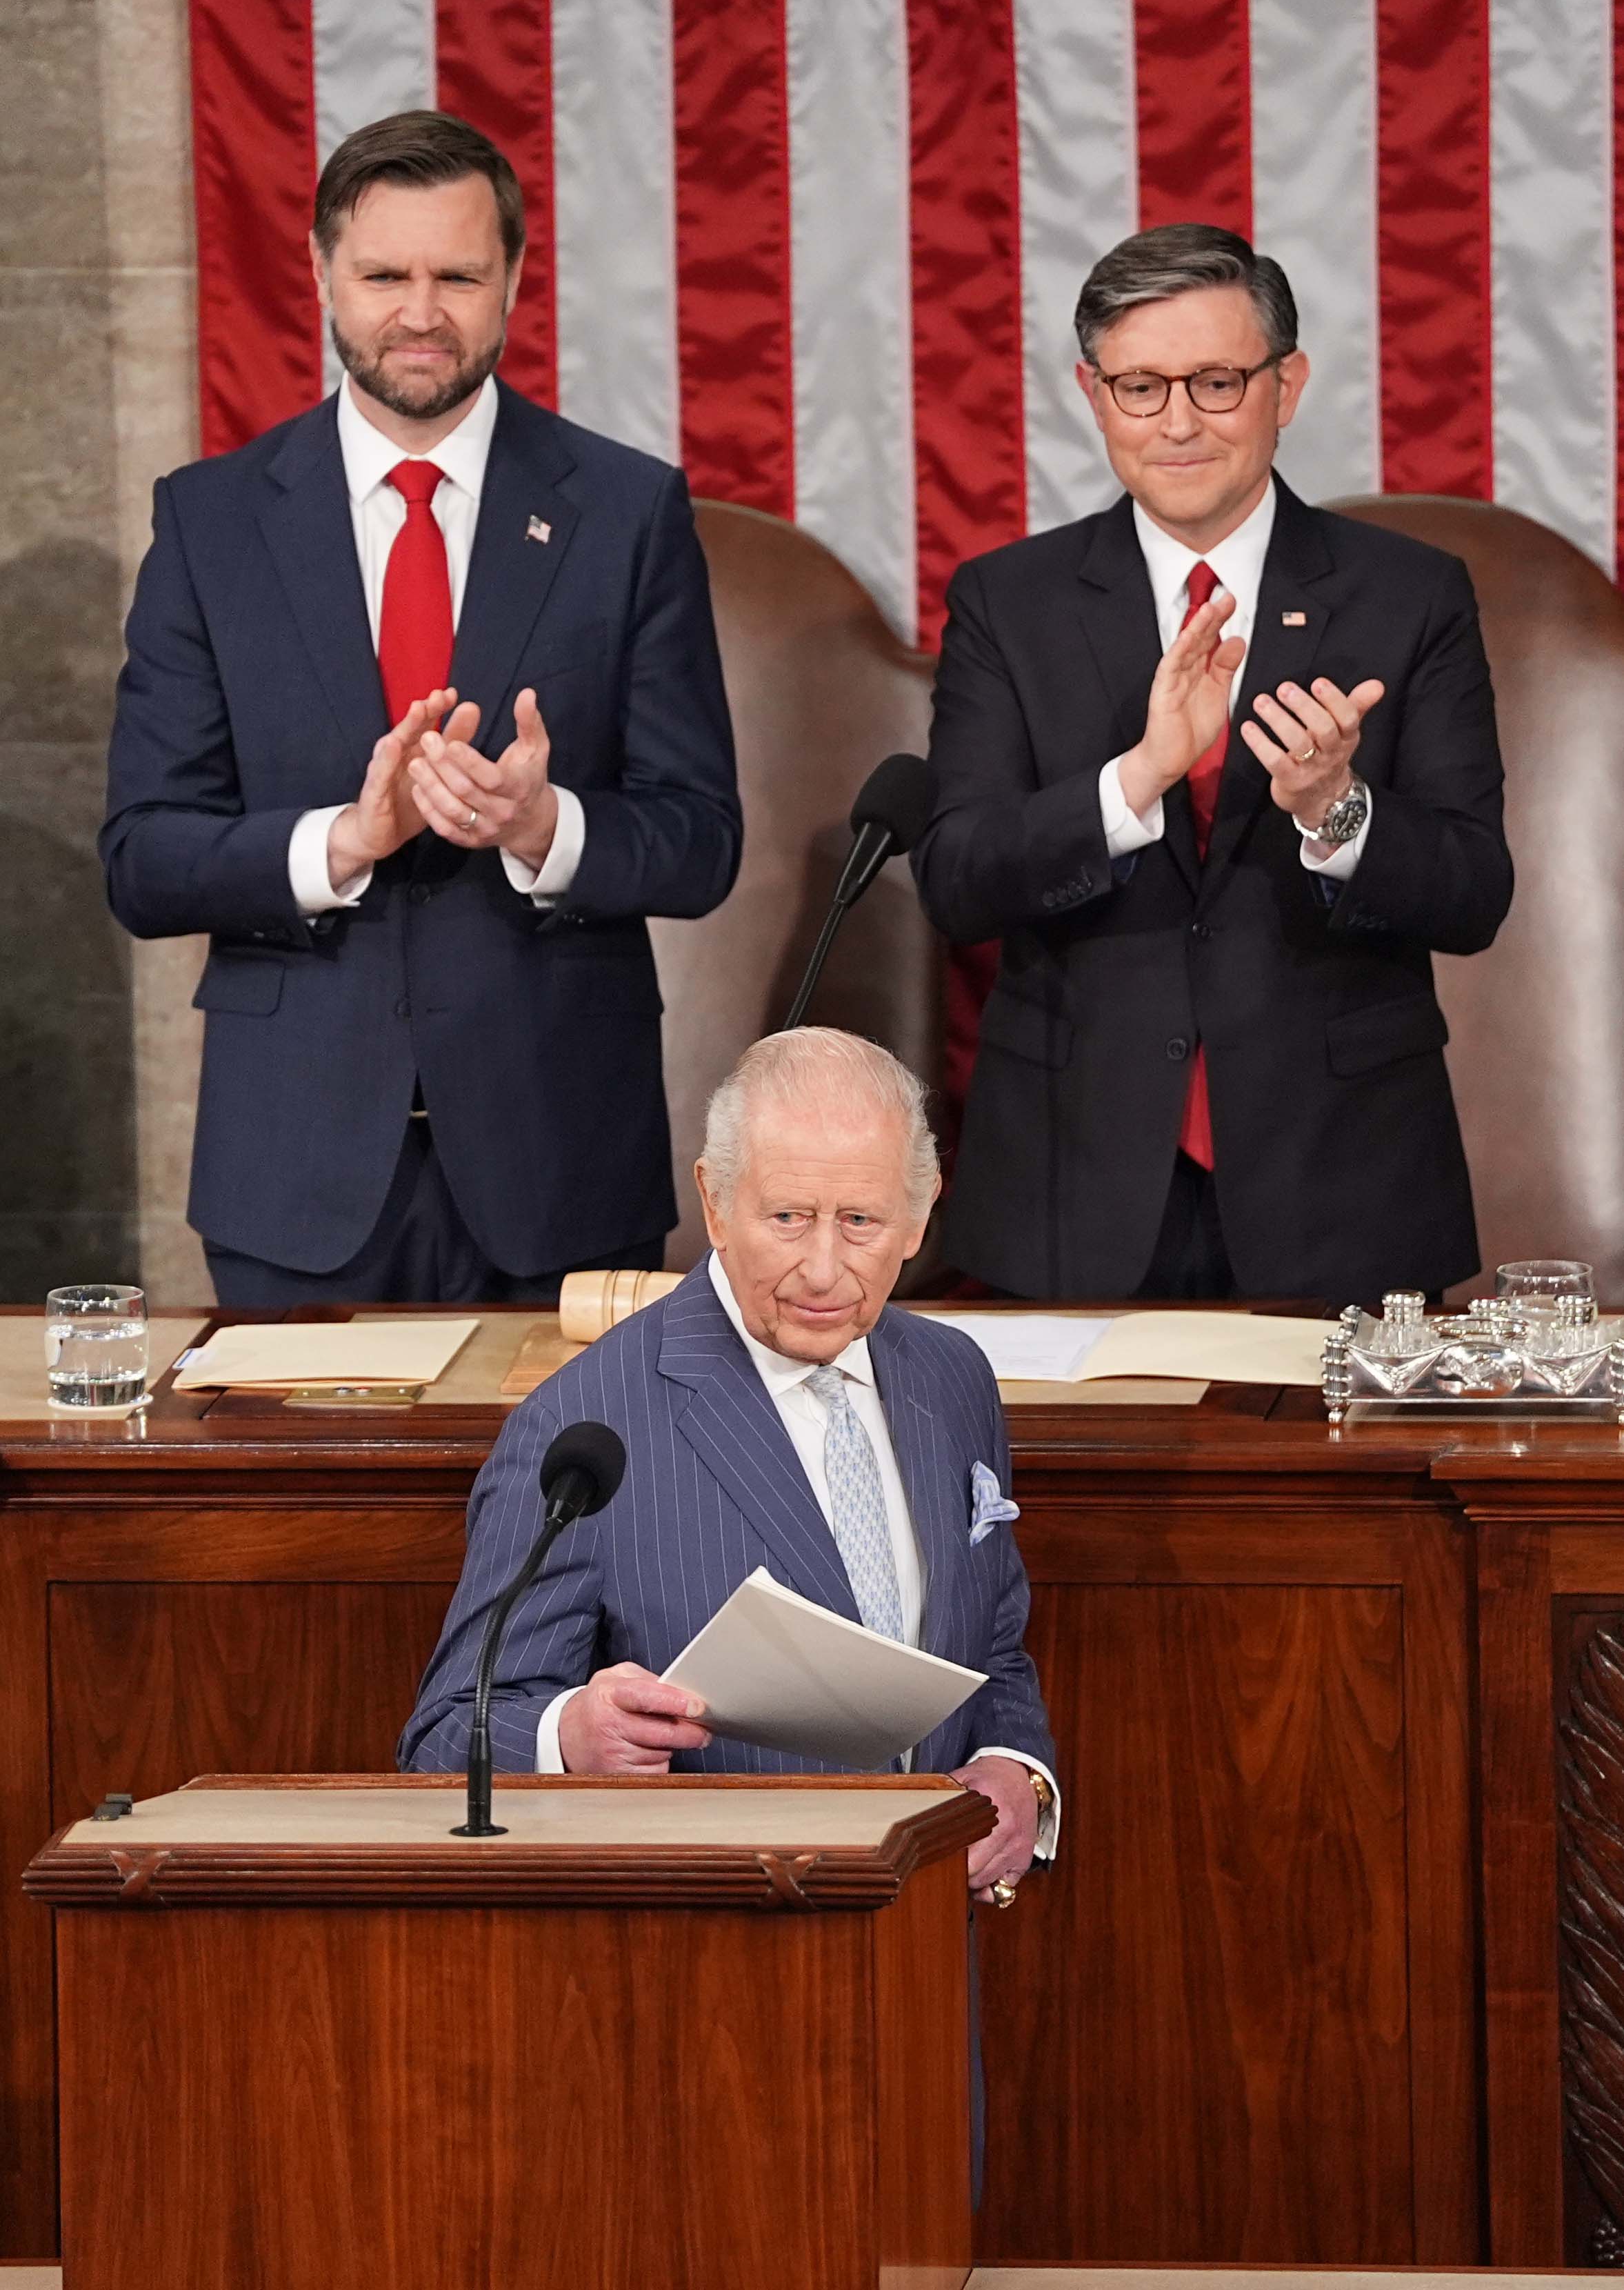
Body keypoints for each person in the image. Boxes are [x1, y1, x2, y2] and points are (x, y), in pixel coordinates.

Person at [101, 112, 740, 1305]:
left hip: (561, 1163)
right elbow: (143, 859)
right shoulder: (209, 521)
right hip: (295, 1178)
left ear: (514, 278)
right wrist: (343, 841)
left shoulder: (626, 510)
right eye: (384, 275)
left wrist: (544, 827)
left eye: (458, 275)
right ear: (320, 274)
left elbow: (701, 840)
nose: (421, 312)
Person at [912, 222, 1512, 1302]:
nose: (1177, 422)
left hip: (1342, 1185)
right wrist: (1136, 777)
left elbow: (1472, 894)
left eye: (1216, 382)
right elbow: (956, 882)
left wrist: (1333, 807)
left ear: (1286, 387)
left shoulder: (1408, 594)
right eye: (1140, 387)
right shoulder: (1008, 601)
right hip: (1068, 1183)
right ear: (1092, 396)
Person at [401, 1028, 1059, 1909]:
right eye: (788, 1218)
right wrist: (571, 1736)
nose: (823, 1270)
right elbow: (445, 1741)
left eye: (860, 1222)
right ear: (714, 1204)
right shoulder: (583, 1422)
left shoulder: (954, 1376)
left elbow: (993, 1649)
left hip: (926, 1947)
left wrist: (1020, 1771)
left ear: (919, 1214)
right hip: (708, 1953)